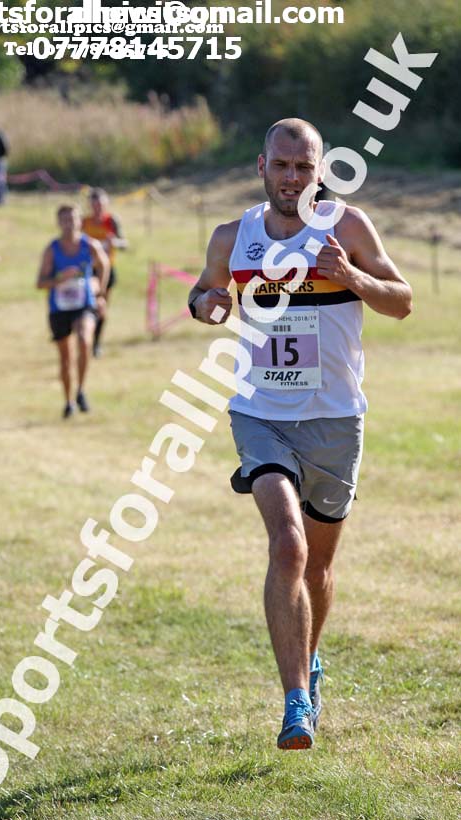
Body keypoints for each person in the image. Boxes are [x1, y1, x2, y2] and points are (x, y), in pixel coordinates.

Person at [187, 118, 412, 750]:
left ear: (320, 170)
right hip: (260, 412)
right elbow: (203, 291)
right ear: (262, 166)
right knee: (287, 545)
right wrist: (207, 305)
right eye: (281, 166)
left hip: (336, 418)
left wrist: (353, 278)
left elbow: (401, 299)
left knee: (318, 563)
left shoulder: (348, 226)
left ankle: (310, 662)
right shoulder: (234, 236)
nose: (291, 178)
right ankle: (295, 704)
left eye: (303, 167)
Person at [37, 204, 110, 419]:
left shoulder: (90, 245)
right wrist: (59, 278)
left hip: (84, 303)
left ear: (80, 221)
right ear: (58, 223)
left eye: (73, 219)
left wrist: (100, 294)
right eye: (65, 220)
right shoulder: (52, 249)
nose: (69, 224)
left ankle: (81, 390)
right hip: (59, 307)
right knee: (65, 358)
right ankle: (68, 401)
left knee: (84, 339)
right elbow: (40, 283)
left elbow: (104, 265)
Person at [81, 188, 128, 356]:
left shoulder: (111, 221)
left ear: (106, 204)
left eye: (100, 205)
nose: (97, 208)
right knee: (87, 306)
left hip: (107, 270)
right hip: (87, 270)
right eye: (94, 205)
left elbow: (125, 243)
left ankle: (96, 343)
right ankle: (84, 340)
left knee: (101, 307)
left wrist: (114, 242)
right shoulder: (83, 222)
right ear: (89, 205)